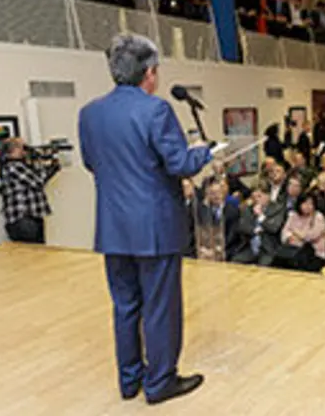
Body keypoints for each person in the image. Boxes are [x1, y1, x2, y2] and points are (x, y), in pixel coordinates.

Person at [78, 35, 211, 404]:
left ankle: (129, 381)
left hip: (113, 228)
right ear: (149, 72)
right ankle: (160, 382)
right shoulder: (156, 110)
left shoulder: (89, 113)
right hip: (155, 228)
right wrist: (203, 153)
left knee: (125, 307)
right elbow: (180, 164)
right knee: (160, 307)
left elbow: (92, 163)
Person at [0, 137, 61, 244]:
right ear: (15, 149)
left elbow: (35, 176)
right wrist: (51, 168)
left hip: (32, 218)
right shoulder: (13, 166)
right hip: (23, 220)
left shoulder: (21, 165)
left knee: (40, 255)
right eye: (24, 147)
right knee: (33, 257)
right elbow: (38, 182)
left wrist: (45, 161)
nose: (26, 151)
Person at [276, 193, 325, 272]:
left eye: (310, 204)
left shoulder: (318, 217)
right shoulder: (293, 215)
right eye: (305, 203)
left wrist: (296, 233)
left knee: (299, 261)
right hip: (292, 250)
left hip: (314, 254)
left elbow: (311, 236)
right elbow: (284, 232)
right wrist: (291, 236)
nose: (307, 206)